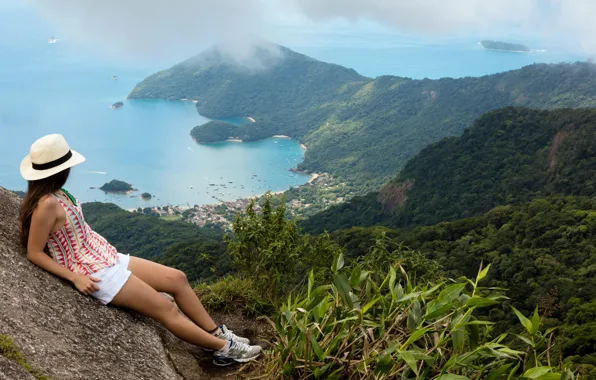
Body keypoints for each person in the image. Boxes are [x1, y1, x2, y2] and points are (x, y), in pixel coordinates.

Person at [19, 134, 262, 367]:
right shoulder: (46, 205)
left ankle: (214, 333)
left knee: (177, 278)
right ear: (61, 170)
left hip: (102, 255)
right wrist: (75, 277)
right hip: (92, 272)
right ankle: (226, 350)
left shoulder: (59, 193)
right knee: (166, 309)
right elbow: (35, 252)